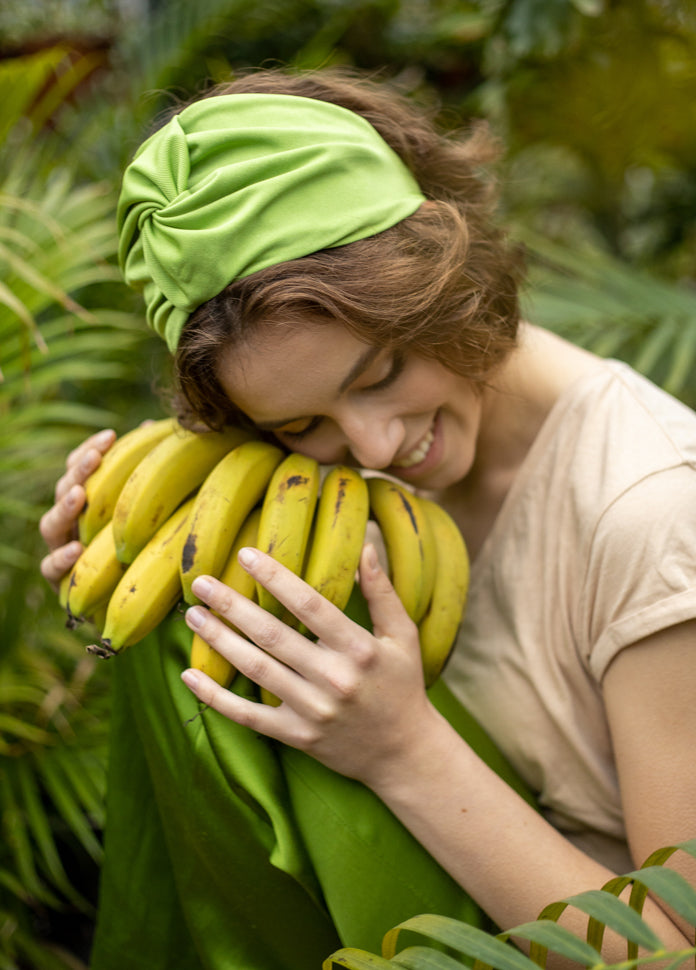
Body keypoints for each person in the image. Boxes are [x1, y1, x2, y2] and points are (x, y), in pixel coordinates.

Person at [39, 67, 696, 969]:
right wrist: (123, 534)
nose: (376, 448)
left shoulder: (652, 511)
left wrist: (404, 752)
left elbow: (675, 950)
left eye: (381, 373)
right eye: (299, 424)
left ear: (446, 271)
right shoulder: (317, 470)